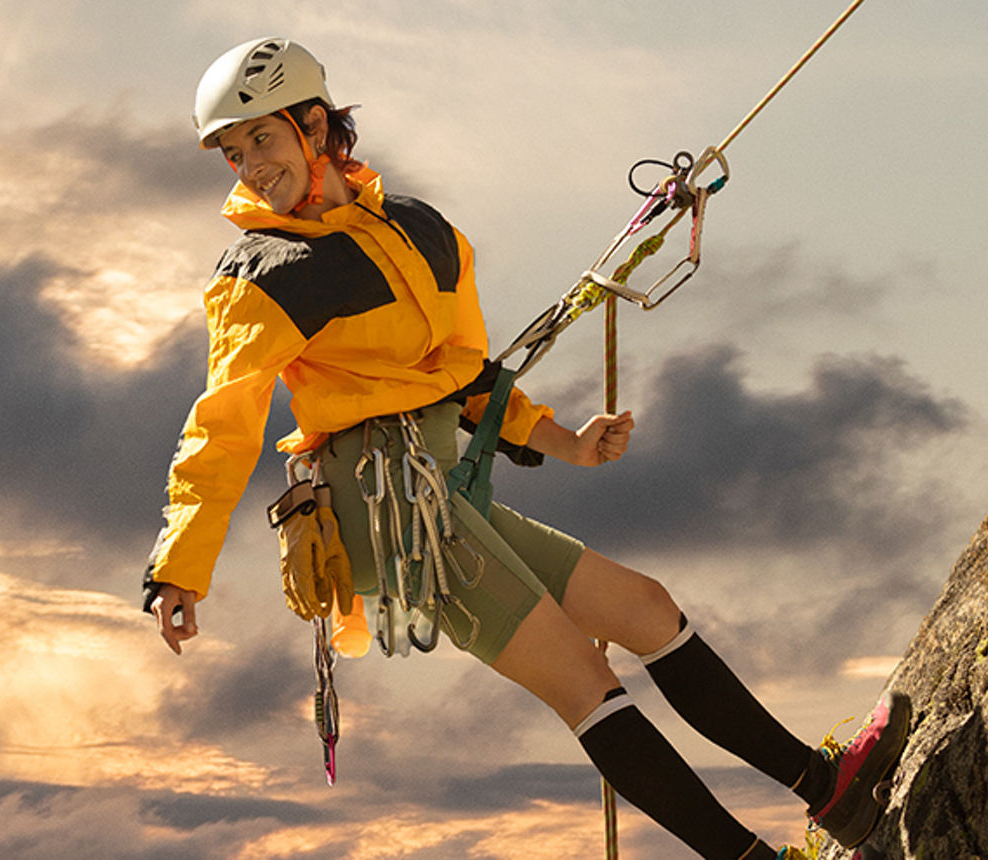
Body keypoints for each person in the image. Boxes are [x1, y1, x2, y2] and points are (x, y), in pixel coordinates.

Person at [142, 37, 909, 860]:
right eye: (233, 151)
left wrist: (565, 442)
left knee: (645, 609)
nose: (250, 166)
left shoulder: (423, 232)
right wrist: (178, 566)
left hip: (439, 489)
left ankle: (833, 793)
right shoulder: (258, 273)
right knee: (585, 680)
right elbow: (222, 420)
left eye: (262, 138)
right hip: (384, 510)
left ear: (315, 124)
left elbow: (468, 380)